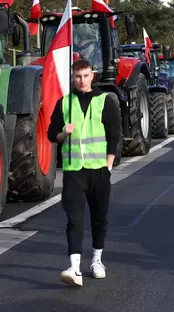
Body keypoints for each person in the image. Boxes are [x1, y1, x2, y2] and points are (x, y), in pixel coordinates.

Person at [47, 59, 121, 287]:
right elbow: (52, 135)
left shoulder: (104, 101)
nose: (82, 80)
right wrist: (63, 133)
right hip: (74, 171)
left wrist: (108, 166)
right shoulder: (64, 103)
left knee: (100, 218)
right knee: (74, 219)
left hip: (99, 171)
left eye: (86, 75)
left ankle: (97, 261)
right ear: (73, 77)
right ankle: (74, 267)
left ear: (92, 76)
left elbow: (114, 135)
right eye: (78, 76)